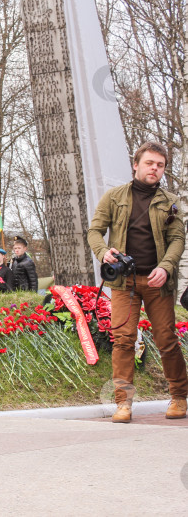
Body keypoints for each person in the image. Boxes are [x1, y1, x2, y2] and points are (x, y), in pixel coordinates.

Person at [87, 141, 187, 423]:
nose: (155, 168)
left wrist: (167, 267)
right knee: (123, 340)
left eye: (160, 165)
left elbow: (178, 239)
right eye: (149, 163)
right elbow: (95, 230)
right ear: (136, 164)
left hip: (158, 283)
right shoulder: (114, 196)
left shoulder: (171, 202)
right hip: (124, 283)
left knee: (167, 340)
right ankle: (123, 403)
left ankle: (179, 396)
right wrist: (104, 252)